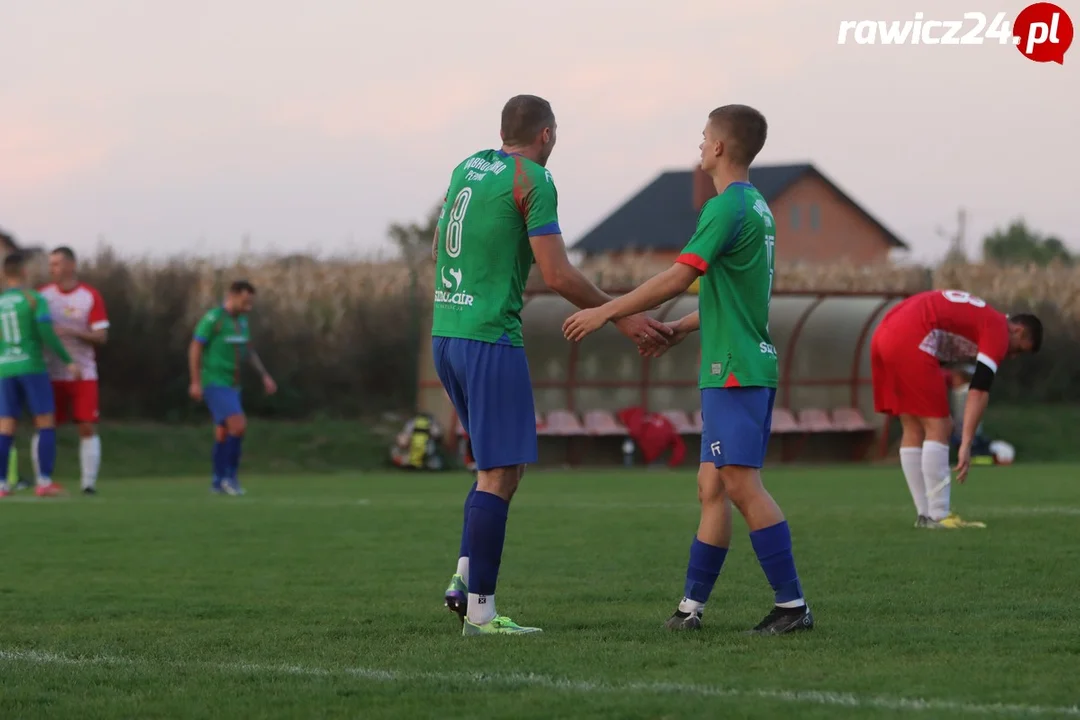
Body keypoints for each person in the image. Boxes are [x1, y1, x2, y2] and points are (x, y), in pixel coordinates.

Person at [564, 104, 813, 635]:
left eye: (704, 138)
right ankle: (690, 609)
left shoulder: (725, 209)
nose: (699, 146)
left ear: (721, 147)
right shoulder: (758, 207)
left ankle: (792, 606)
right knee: (712, 487)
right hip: (738, 365)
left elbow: (679, 277)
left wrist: (608, 310)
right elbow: (741, 299)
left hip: (735, 372)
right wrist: (680, 328)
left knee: (741, 485)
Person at [433, 94, 672, 635]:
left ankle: (465, 581)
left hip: (446, 332)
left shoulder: (468, 167)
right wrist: (621, 316)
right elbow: (558, 275)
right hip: (489, 337)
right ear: (546, 135)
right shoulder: (533, 180)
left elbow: (436, 248)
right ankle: (482, 614)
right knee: (499, 473)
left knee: (499, 467)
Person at [870, 289, 1041, 529]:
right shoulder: (998, 330)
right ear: (1018, 330)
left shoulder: (981, 318)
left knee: (913, 426)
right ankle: (939, 515)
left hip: (883, 334)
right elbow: (979, 390)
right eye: (1019, 349)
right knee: (940, 425)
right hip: (911, 336)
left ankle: (924, 515)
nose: (1012, 356)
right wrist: (967, 443)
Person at [0, 252, 80, 498]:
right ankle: (44, 482)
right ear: (24, 273)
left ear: (4, 274)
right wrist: (68, 361)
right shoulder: (33, 299)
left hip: (4, 369)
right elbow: (47, 333)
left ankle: (1, 484)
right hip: (31, 366)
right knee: (45, 422)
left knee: (5, 426)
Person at [188, 281, 277, 496]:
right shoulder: (214, 319)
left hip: (233, 384)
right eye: (245, 301)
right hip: (215, 382)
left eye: (251, 302)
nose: (249, 306)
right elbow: (195, 347)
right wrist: (196, 381)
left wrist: (264, 375)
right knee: (238, 426)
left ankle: (217, 482)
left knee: (222, 433)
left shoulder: (242, 322)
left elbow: (248, 351)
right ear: (233, 296)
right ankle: (230, 478)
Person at [35, 246, 109, 495]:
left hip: (83, 373)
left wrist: (72, 332)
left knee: (86, 425)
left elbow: (101, 336)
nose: (51, 269)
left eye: (56, 264)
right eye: (51, 264)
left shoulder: (89, 296)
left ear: (71, 266)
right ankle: (42, 480)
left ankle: (88, 484)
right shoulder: (42, 296)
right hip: (49, 373)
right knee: (45, 425)